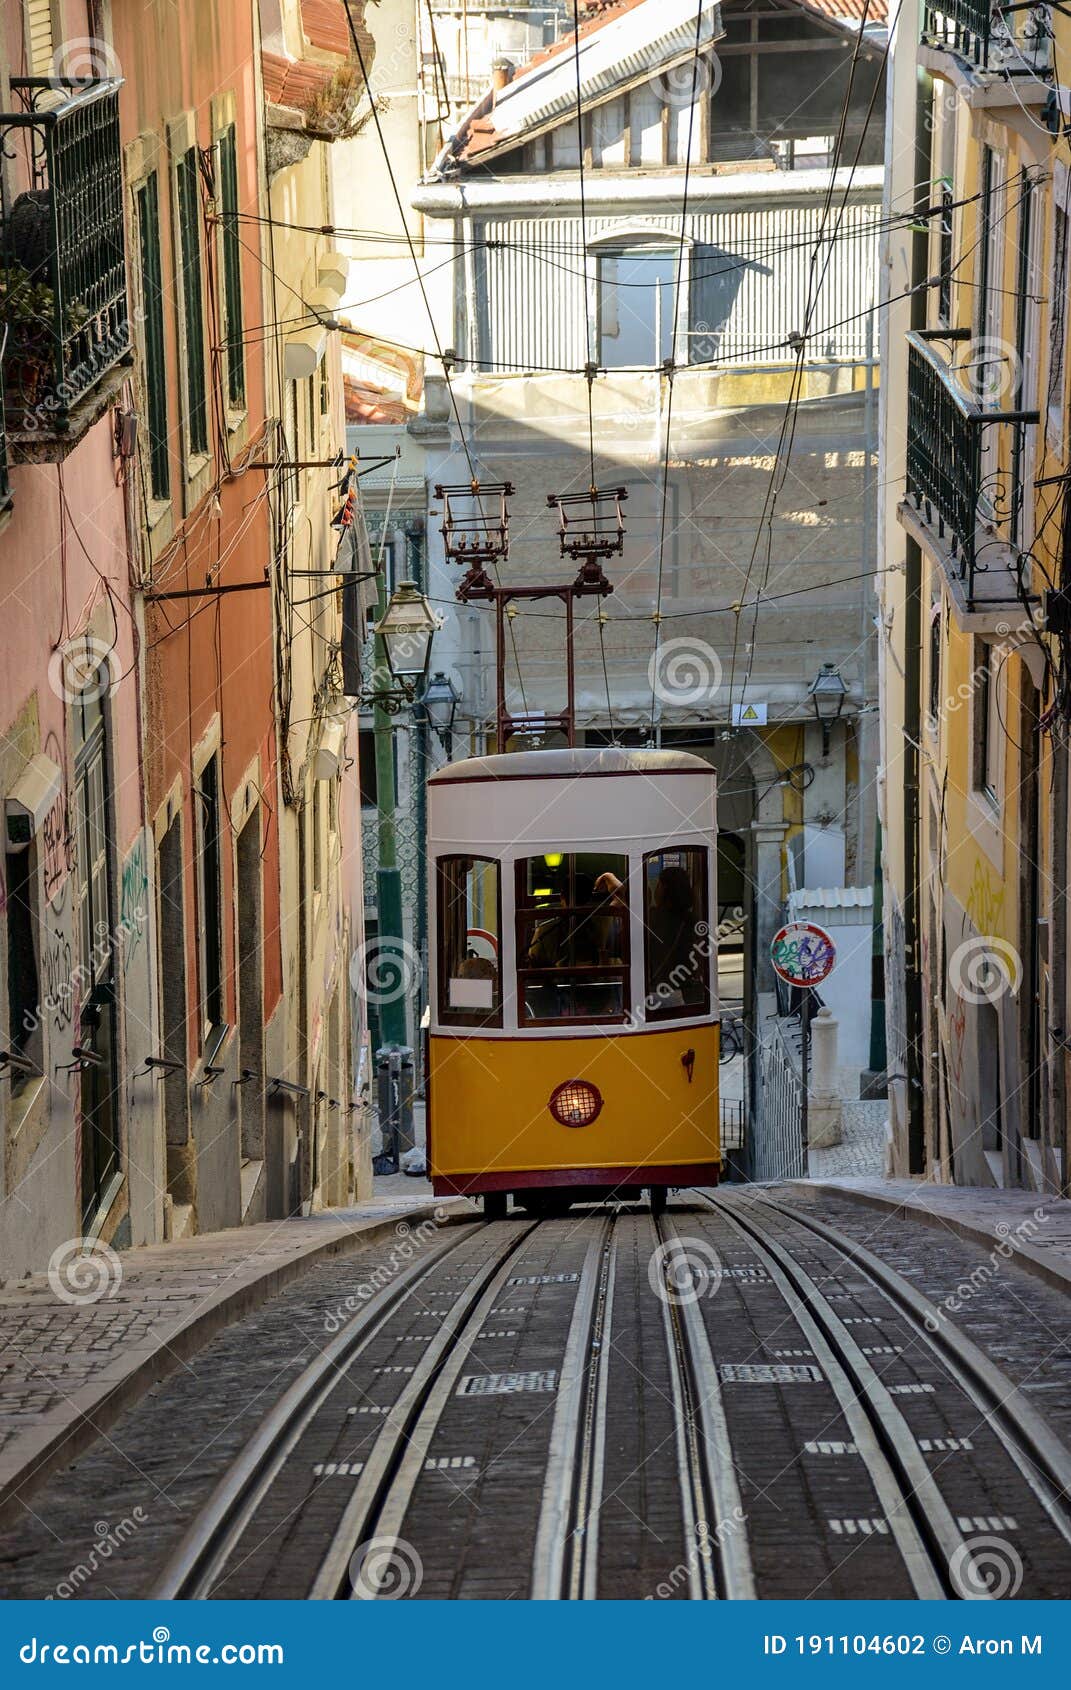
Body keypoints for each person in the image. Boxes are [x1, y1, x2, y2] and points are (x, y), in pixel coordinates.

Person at [647, 864, 703, 1005]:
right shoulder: (691, 920)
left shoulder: (652, 917)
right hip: (684, 990)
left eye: (658, 884)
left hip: (656, 991)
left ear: (664, 888)